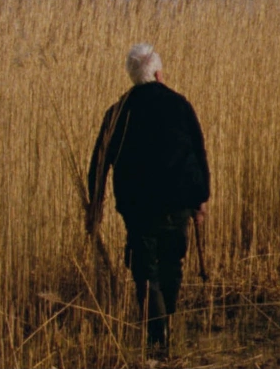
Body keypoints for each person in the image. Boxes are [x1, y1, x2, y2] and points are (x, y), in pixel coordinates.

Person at [87, 43, 210, 356]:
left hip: (138, 206)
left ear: (132, 76)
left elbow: (99, 162)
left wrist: (95, 205)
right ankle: (164, 325)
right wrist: (201, 199)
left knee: (145, 270)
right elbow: (198, 152)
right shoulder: (180, 105)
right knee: (172, 263)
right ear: (158, 74)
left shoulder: (119, 111)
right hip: (178, 201)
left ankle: (158, 336)